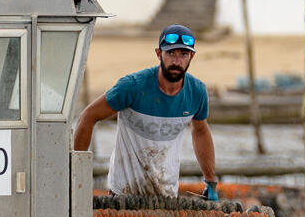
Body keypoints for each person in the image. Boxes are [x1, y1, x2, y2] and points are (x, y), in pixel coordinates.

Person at [73, 23, 219, 199]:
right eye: (170, 53)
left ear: (192, 56)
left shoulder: (197, 92)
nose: (176, 61)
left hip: (167, 196)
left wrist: (211, 181)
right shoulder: (132, 86)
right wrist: (76, 174)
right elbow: (88, 116)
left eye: (183, 54)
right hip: (123, 194)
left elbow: (201, 131)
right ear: (159, 54)